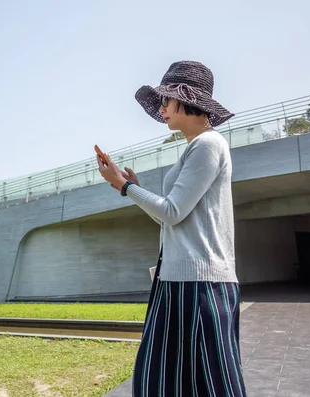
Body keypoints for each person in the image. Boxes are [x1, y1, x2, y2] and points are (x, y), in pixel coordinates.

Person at [97, 61, 247, 396]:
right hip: (180, 280)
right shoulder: (195, 147)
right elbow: (171, 217)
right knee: (165, 379)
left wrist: (125, 188)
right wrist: (132, 188)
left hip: (200, 283)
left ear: (188, 99)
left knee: (209, 382)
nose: (162, 108)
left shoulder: (208, 145)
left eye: (166, 100)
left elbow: (173, 211)